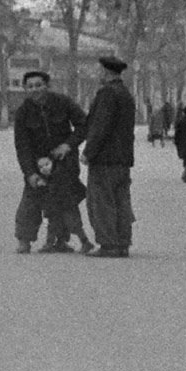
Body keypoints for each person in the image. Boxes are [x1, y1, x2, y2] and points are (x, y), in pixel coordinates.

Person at [10, 69, 94, 255]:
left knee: (64, 200)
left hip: (64, 162)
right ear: (25, 89)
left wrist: (68, 145)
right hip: (37, 163)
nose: (35, 89)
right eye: (30, 86)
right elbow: (22, 146)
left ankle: (59, 241)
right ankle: (24, 239)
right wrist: (30, 173)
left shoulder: (63, 102)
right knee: (30, 201)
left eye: (39, 85)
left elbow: (83, 125)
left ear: (47, 86)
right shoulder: (23, 112)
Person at [83, 53, 138, 257]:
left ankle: (108, 243)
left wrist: (89, 152)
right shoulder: (125, 93)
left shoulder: (107, 94)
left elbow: (100, 126)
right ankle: (123, 242)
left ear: (105, 72)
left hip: (105, 158)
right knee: (121, 201)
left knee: (101, 201)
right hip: (123, 158)